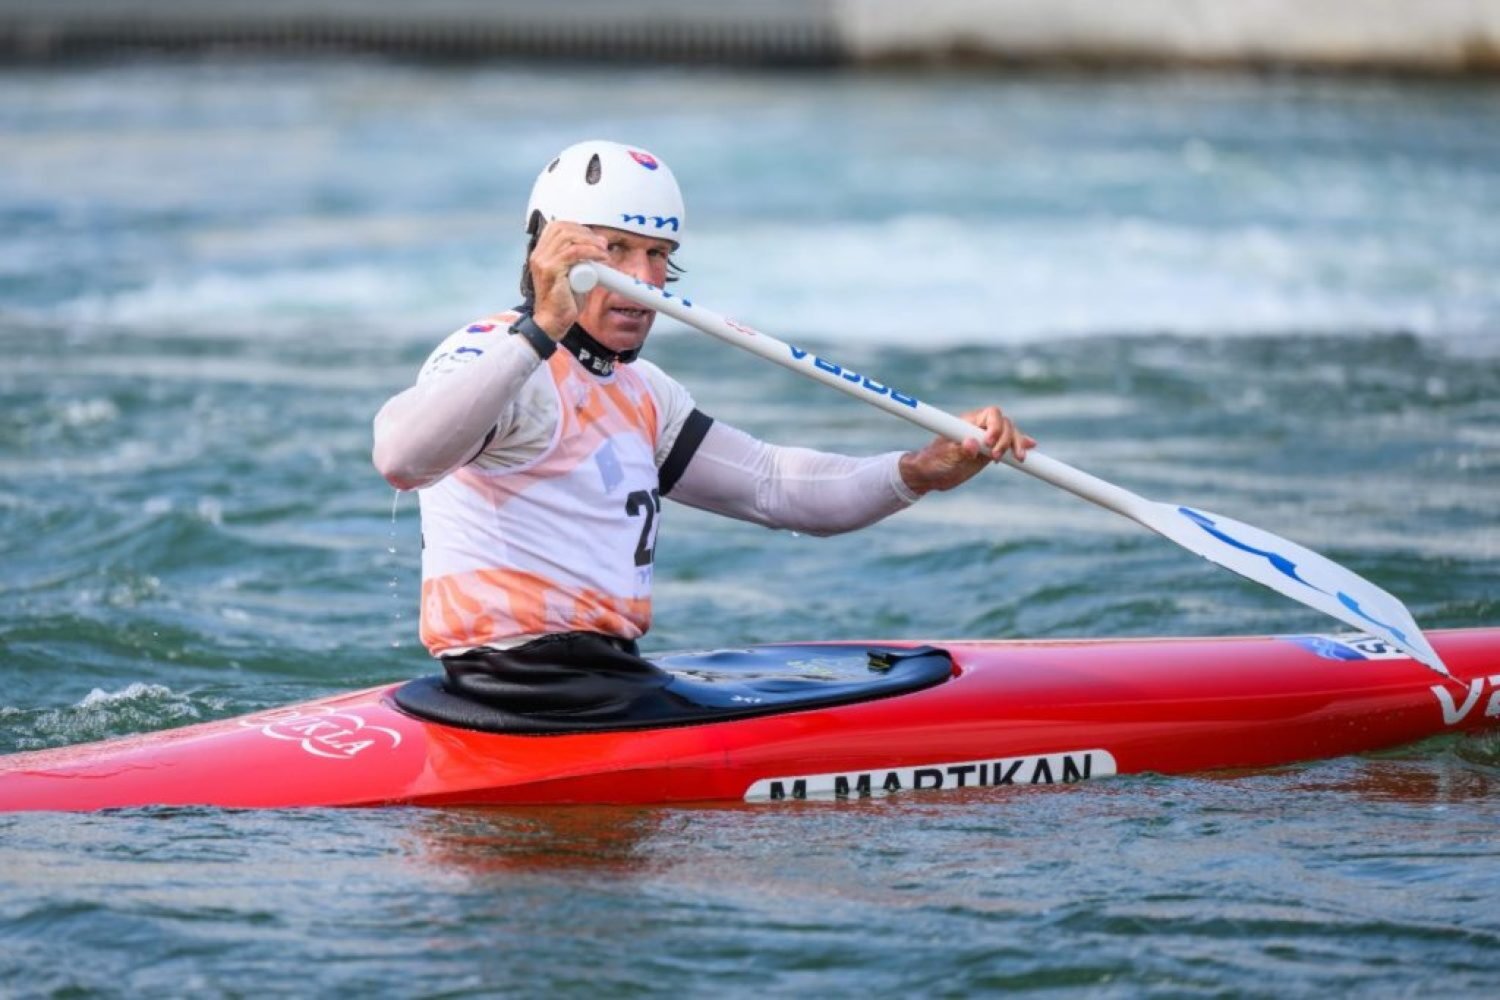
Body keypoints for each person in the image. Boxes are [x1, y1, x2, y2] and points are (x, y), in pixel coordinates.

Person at [372, 139, 1032, 722]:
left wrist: (918, 471)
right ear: (550, 251)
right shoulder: (497, 356)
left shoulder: (641, 391)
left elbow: (775, 487)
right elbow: (403, 459)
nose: (643, 279)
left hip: (606, 676)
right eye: (614, 250)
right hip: (523, 693)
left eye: (659, 254)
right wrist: (542, 326)